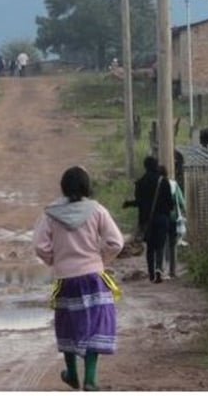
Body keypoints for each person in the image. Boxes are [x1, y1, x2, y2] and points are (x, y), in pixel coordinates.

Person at [33, 165, 124, 391]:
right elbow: (116, 242)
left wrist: (56, 260)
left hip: (66, 279)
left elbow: (39, 246)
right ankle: (91, 379)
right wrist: (100, 258)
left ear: (63, 187)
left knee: (68, 324)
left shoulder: (50, 214)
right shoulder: (97, 211)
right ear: (86, 187)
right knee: (95, 324)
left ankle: (71, 372)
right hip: (93, 277)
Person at [122, 156, 160, 279]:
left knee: (149, 246)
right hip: (160, 217)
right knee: (160, 245)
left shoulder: (140, 183)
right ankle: (160, 269)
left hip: (145, 219)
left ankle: (151, 272)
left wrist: (129, 203)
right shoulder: (162, 182)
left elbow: (140, 202)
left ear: (145, 167)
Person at [164, 171, 187, 278]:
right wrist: (183, 211)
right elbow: (181, 202)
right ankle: (172, 271)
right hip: (172, 218)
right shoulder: (173, 185)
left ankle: (161, 269)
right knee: (172, 244)